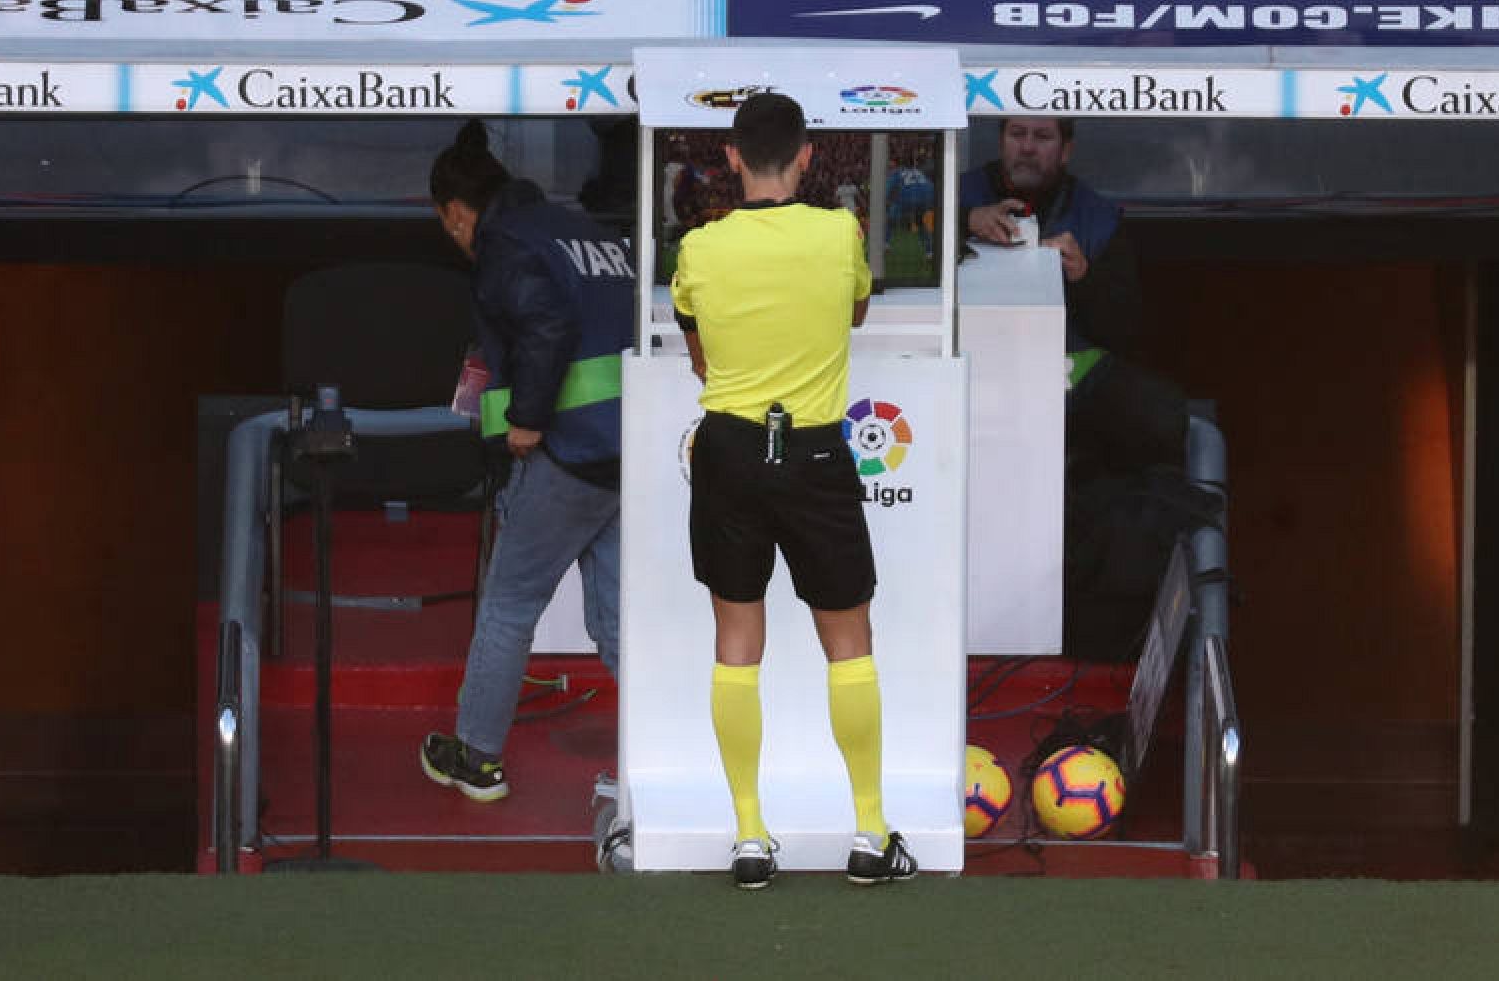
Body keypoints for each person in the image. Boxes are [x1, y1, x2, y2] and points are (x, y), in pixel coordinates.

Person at [671, 93, 917, 890]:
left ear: (732, 158)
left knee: (735, 640)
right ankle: (870, 833)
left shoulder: (699, 248)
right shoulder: (838, 232)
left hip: (730, 447)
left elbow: (699, 355)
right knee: (849, 641)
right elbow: (855, 310)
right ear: (808, 157)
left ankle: (749, 835)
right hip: (813, 448)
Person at [419, 120, 634, 802]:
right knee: (617, 620)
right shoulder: (585, 233)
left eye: (446, 225)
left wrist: (525, 422)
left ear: (456, 212)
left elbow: (546, 326)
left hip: (568, 451)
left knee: (509, 604)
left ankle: (476, 757)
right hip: (625, 445)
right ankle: (671, 746)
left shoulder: (507, 245)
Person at [960, 115, 1184, 477]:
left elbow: (1126, 330)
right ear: (1001, 141)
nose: (1028, 147)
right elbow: (896, 235)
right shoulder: (955, 194)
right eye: (1017, 134)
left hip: (1062, 373)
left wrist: (1084, 276)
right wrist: (965, 220)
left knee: (1160, 415)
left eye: (1043, 137)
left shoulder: (1098, 217)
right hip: (971, 366)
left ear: (1066, 151)